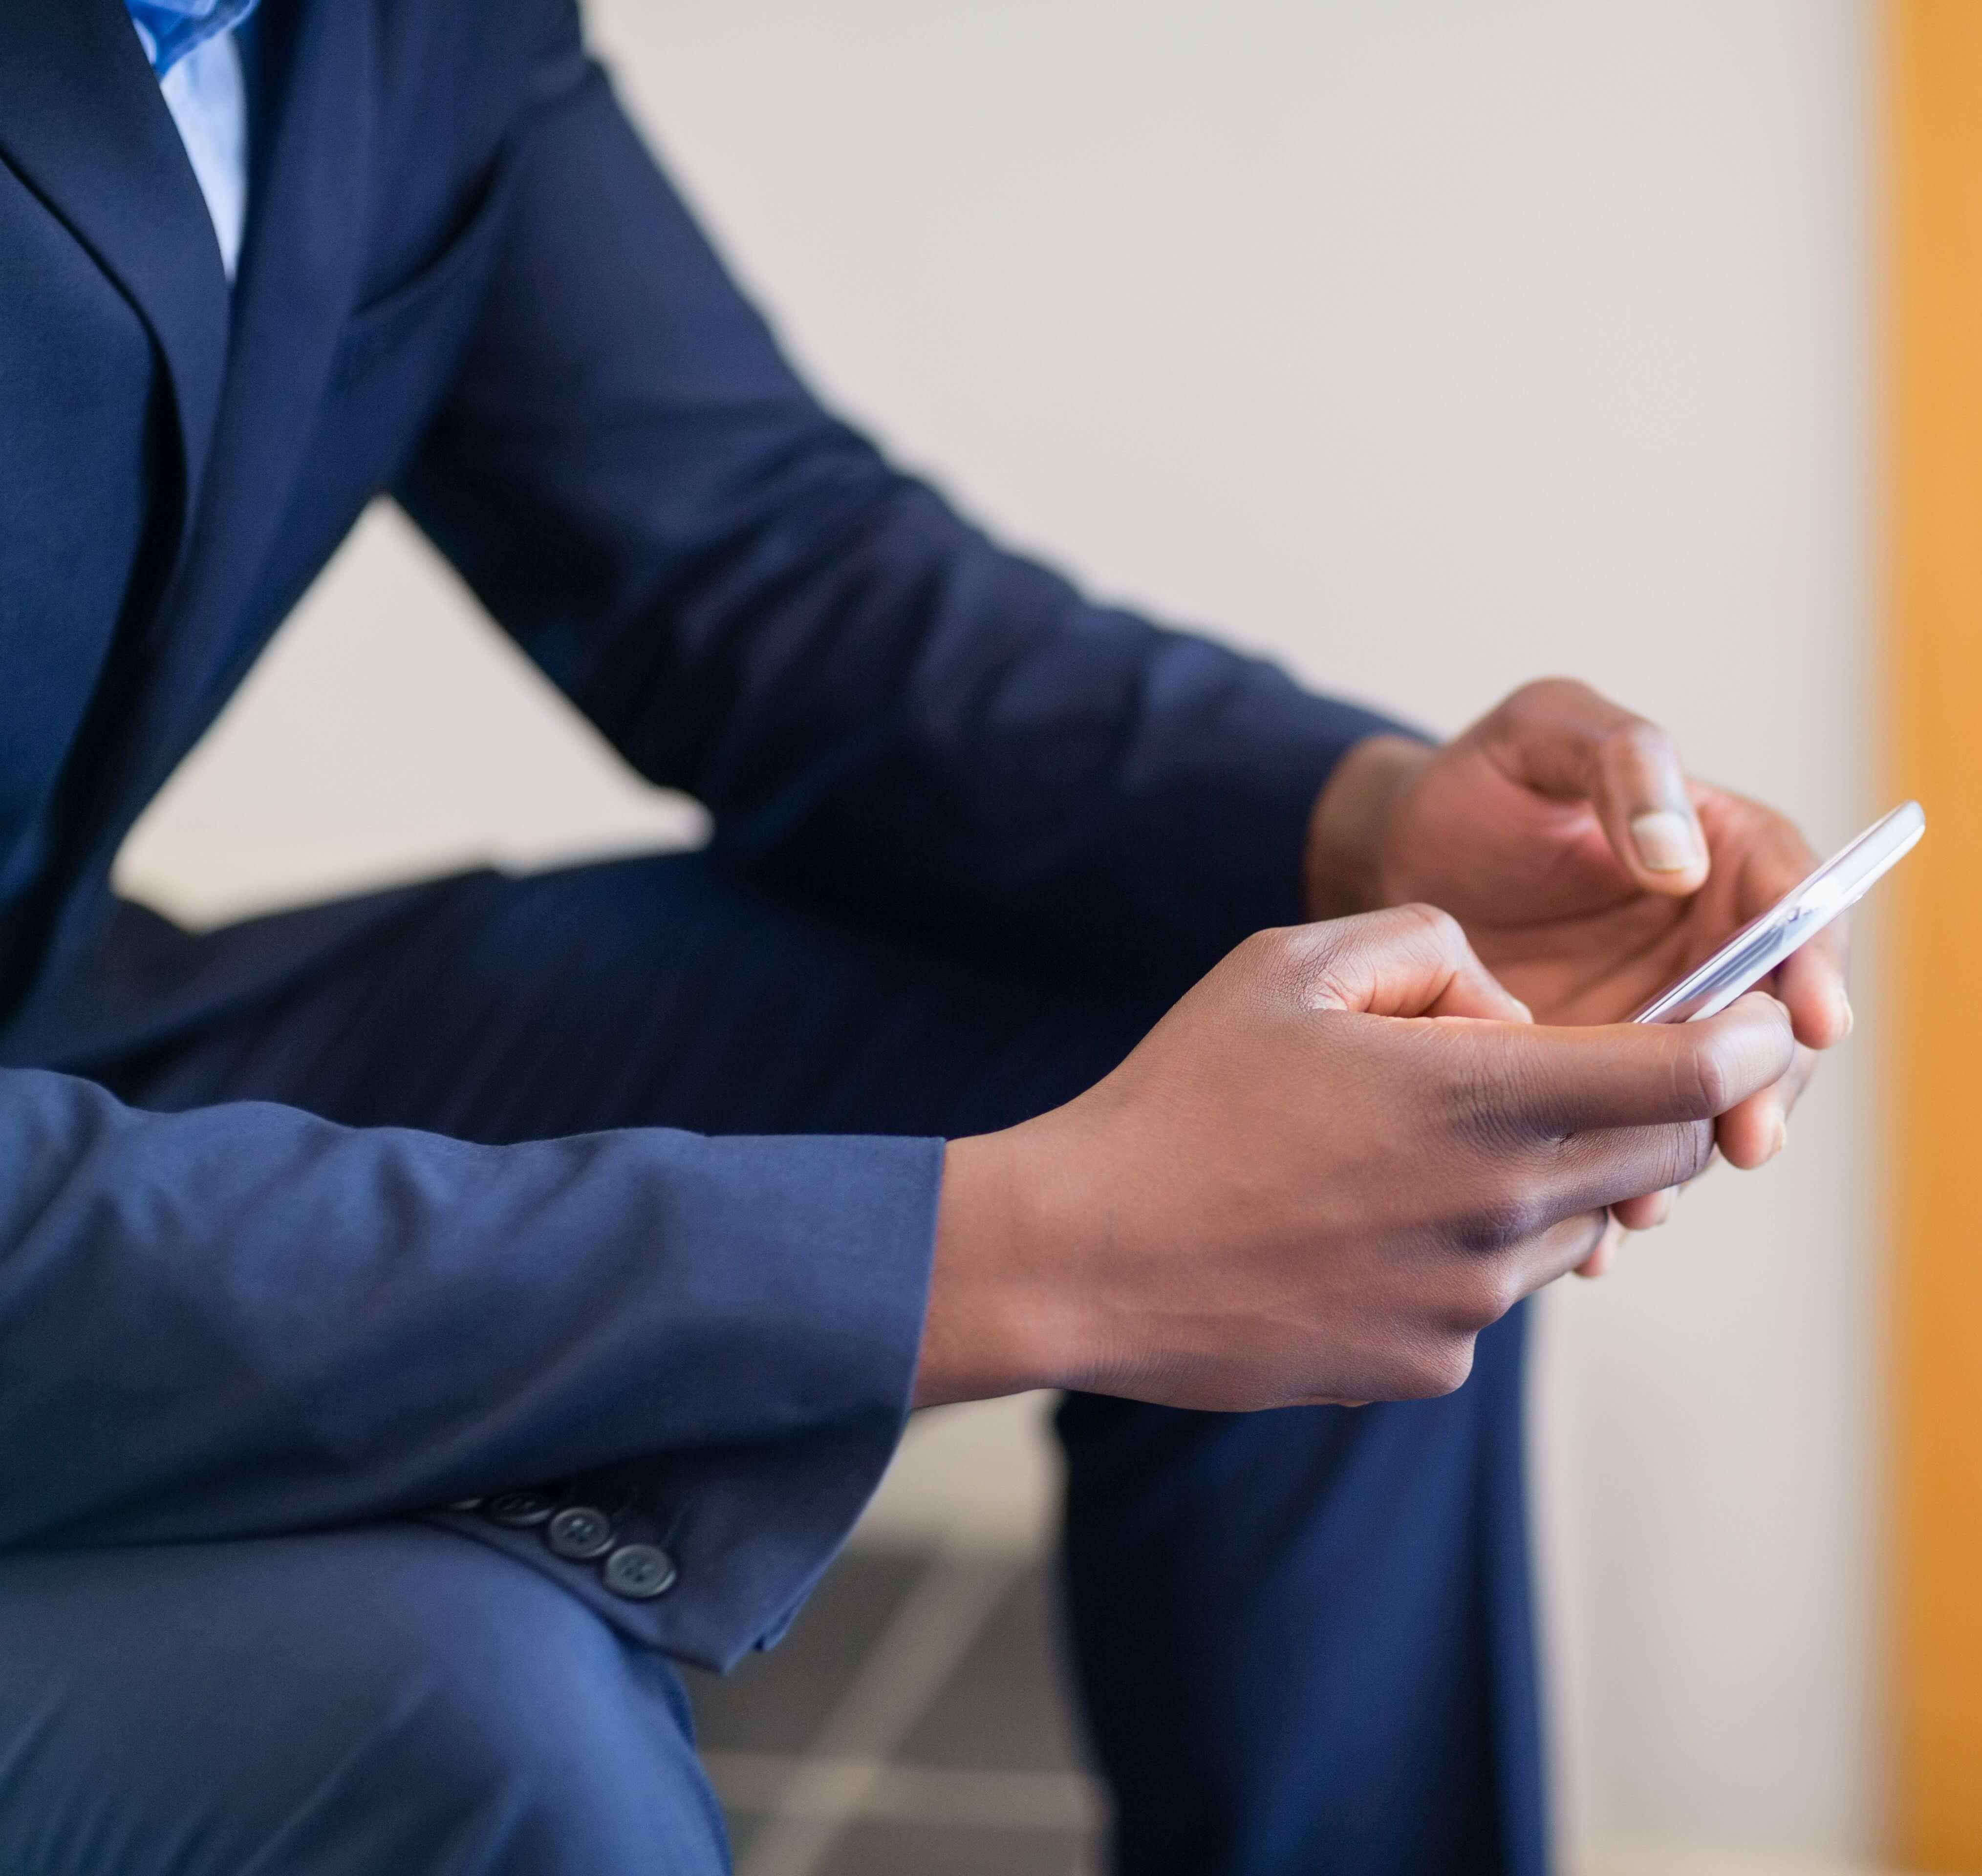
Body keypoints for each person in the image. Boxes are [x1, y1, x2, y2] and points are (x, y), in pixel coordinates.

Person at [0, 2, 1850, 1872]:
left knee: (1372, 1085)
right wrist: (1024, 1253)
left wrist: (1367, 826)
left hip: (61, 1039)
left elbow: (744, 552)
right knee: (464, 1717)